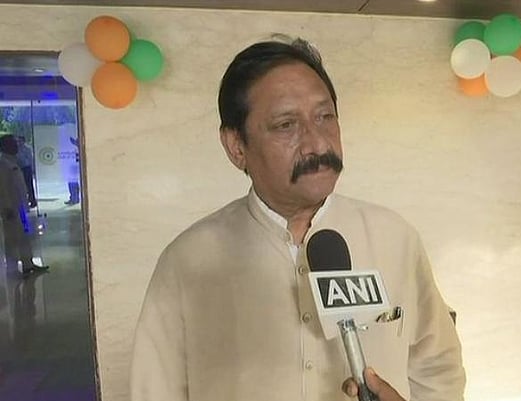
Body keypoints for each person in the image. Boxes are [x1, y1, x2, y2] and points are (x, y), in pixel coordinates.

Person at [131, 37, 465, 401]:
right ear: (236, 146)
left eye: (325, 117)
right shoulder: (189, 260)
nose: (317, 143)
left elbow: (438, 371)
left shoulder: (395, 237)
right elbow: (155, 391)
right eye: (286, 124)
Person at [0, 135, 49, 277]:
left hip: (20, 207)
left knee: (24, 236)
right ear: (5, 146)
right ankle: (13, 268)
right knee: (12, 238)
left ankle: (28, 264)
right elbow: (3, 188)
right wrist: (7, 207)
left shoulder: (13, 161)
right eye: (13, 143)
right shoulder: (3, 164)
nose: (16, 146)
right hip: (11, 209)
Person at [15, 136, 37, 208]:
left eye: (20, 141)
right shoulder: (16, 149)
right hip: (19, 168)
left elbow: (30, 159)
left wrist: (32, 169)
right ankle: (24, 202)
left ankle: (32, 200)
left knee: (29, 185)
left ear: (23, 141)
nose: (18, 143)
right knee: (21, 186)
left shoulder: (27, 149)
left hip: (26, 168)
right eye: (18, 141)